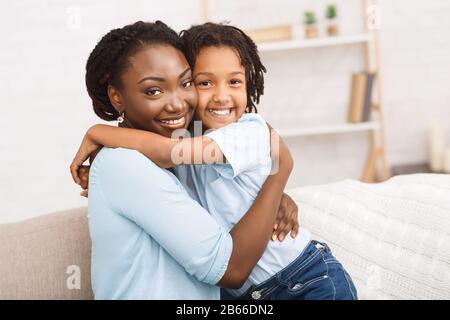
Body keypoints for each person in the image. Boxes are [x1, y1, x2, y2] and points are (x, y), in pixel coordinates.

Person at [71, 22, 357, 300]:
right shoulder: (171, 148)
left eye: (234, 82)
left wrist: (100, 133)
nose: (221, 96)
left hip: (303, 278)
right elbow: (161, 156)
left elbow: (167, 154)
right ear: (117, 97)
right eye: (204, 82)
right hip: (252, 290)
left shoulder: (242, 132)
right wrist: (276, 178)